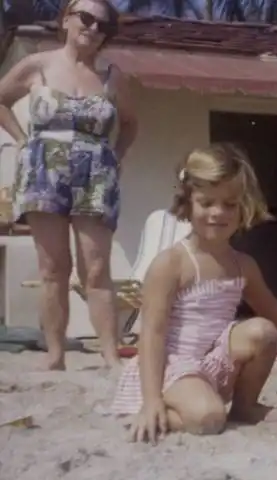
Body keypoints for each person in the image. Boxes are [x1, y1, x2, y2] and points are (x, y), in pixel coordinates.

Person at [113, 144, 277, 443]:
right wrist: (152, 398)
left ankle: (244, 407)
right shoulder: (172, 263)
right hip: (172, 366)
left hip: (213, 359)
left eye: (230, 204)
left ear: (243, 206)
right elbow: (152, 335)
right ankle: (157, 410)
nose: (218, 213)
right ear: (187, 203)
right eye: (207, 203)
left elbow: (272, 309)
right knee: (209, 418)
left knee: (263, 331)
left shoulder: (242, 264)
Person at [0, 0, 138, 370]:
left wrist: (116, 158)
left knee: (96, 269)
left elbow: (130, 123)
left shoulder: (112, 75)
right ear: (66, 19)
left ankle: (110, 355)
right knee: (52, 267)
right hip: (44, 171)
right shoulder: (37, 65)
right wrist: (22, 140)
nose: (93, 28)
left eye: (103, 26)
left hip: (96, 175)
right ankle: (56, 354)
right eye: (86, 18)